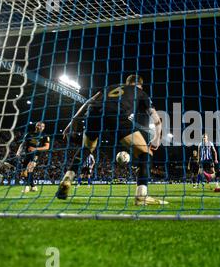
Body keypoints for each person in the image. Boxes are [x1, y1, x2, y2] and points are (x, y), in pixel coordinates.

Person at [56, 74, 167, 205]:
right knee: (146, 153)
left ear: (126, 82)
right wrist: (156, 138)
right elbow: (157, 120)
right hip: (117, 114)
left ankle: (68, 178)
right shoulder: (141, 93)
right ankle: (141, 196)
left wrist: (72, 122)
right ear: (140, 85)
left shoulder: (110, 87)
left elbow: (88, 102)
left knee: (87, 148)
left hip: (94, 112)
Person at [16, 121, 50, 193]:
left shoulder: (45, 136)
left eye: (42, 126)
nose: (40, 127)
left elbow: (47, 147)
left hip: (36, 155)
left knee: (29, 170)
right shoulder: (29, 134)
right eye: (39, 126)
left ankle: (27, 187)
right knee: (24, 172)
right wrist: (18, 152)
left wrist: (36, 149)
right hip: (27, 155)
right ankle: (33, 187)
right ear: (36, 126)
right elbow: (22, 144)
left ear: (44, 128)